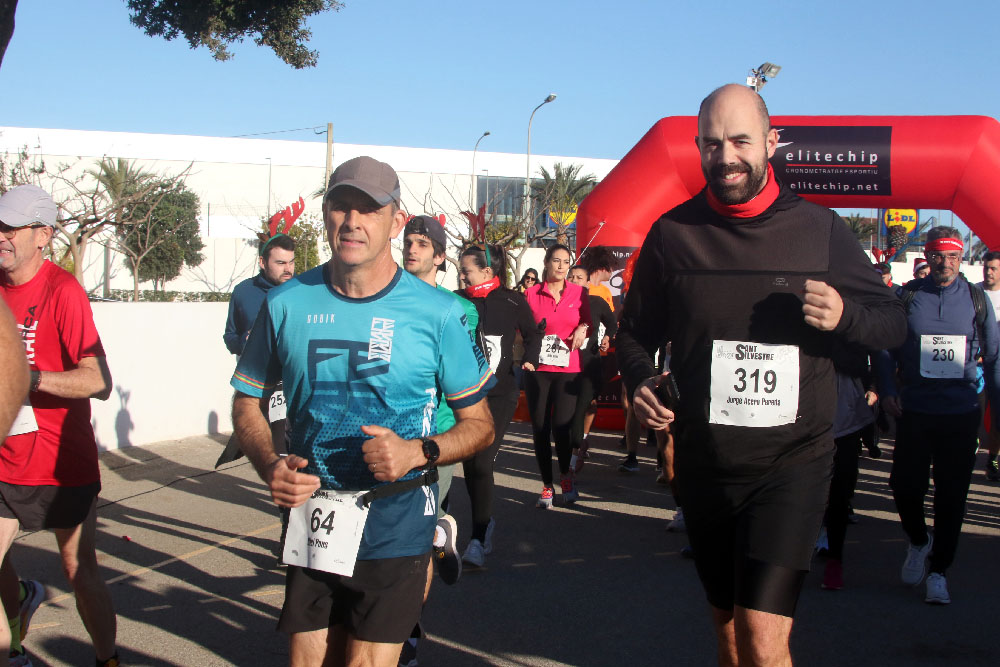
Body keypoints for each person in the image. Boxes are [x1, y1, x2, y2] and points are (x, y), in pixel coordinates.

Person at [616, 84, 906, 665]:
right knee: (727, 635)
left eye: (741, 140)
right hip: (706, 464)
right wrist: (643, 380)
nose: (726, 156)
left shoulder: (820, 231)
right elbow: (635, 333)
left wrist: (846, 317)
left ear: (772, 143)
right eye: (712, 143)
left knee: (763, 638)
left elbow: (895, 322)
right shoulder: (673, 235)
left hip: (790, 465)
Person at [230, 156, 495, 667]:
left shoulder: (438, 313)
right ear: (325, 215)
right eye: (340, 206)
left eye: (369, 210)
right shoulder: (286, 303)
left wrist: (420, 451)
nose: (352, 221)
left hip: (395, 514)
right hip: (314, 514)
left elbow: (480, 425)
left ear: (396, 221)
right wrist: (269, 467)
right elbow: (247, 401)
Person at [0, 185, 119, 667]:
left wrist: (27, 377)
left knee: (78, 569)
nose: (1, 236)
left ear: (43, 235)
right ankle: (14, 650)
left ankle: (107, 658)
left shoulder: (61, 290)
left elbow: (99, 380)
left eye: (11, 227)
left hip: (58, 463)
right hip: (6, 459)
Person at [877, 227, 1000, 605]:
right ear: (926, 257)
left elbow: (994, 358)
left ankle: (939, 571)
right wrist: (888, 390)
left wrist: (997, 408)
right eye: (937, 256)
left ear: (962, 258)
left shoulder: (977, 300)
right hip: (915, 410)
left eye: (952, 257)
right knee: (904, 486)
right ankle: (918, 540)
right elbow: (885, 349)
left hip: (960, 413)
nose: (944, 264)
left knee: (952, 496)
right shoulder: (907, 296)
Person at [457, 243, 541, 565]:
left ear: (488, 271)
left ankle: (478, 538)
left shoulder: (512, 300)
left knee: (481, 463)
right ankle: (483, 519)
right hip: (464, 395)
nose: (462, 276)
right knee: (469, 462)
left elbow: (533, 335)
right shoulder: (458, 300)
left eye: (467, 271)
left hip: (501, 393)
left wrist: (529, 360)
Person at [524, 244, 591, 508]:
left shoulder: (579, 293)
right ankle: (546, 486)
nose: (561, 266)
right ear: (546, 263)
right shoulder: (530, 293)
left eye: (566, 261)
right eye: (556, 260)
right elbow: (522, 330)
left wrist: (583, 328)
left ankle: (565, 476)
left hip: (568, 369)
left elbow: (589, 321)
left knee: (561, 429)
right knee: (540, 429)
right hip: (537, 369)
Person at [567, 265, 616, 469]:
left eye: (580, 277)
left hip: (589, 365)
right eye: (572, 276)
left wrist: (607, 337)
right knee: (568, 412)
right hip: (565, 364)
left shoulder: (596, 302)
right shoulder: (561, 303)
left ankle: (573, 456)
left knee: (581, 409)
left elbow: (612, 323)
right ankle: (576, 446)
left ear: (588, 282)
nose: (575, 280)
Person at [978, 250, 1000, 481]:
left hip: (998, 362)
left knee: (998, 414)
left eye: (993, 268)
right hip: (975, 360)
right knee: (973, 409)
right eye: (986, 267)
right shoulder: (974, 292)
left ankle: (992, 457)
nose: (989, 272)